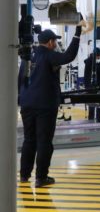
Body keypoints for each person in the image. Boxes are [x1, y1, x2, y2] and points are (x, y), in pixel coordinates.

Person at [19, 25, 82, 187]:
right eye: (55, 41)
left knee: (29, 140)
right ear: (50, 42)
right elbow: (68, 56)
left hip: (27, 104)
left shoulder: (28, 57)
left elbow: (20, 80)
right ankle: (41, 177)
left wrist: (23, 98)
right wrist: (77, 35)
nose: (55, 44)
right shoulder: (48, 55)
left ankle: (24, 175)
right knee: (44, 141)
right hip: (45, 106)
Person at [84, 47, 100, 122]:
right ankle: (91, 118)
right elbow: (86, 75)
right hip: (91, 84)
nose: (98, 57)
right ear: (93, 55)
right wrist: (88, 87)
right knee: (92, 101)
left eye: (99, 56)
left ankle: (99, 118)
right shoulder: (89, 61)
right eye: (97, 56)